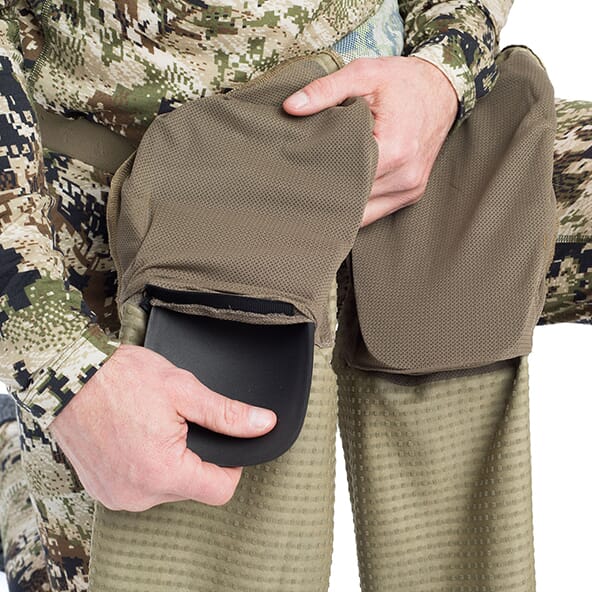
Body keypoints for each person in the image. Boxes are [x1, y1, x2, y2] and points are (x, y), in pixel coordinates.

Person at [0, 0, 589, 590]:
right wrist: (62, 368)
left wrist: (444, 70)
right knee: (128, 545)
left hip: (414, 150)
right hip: (144, 214)